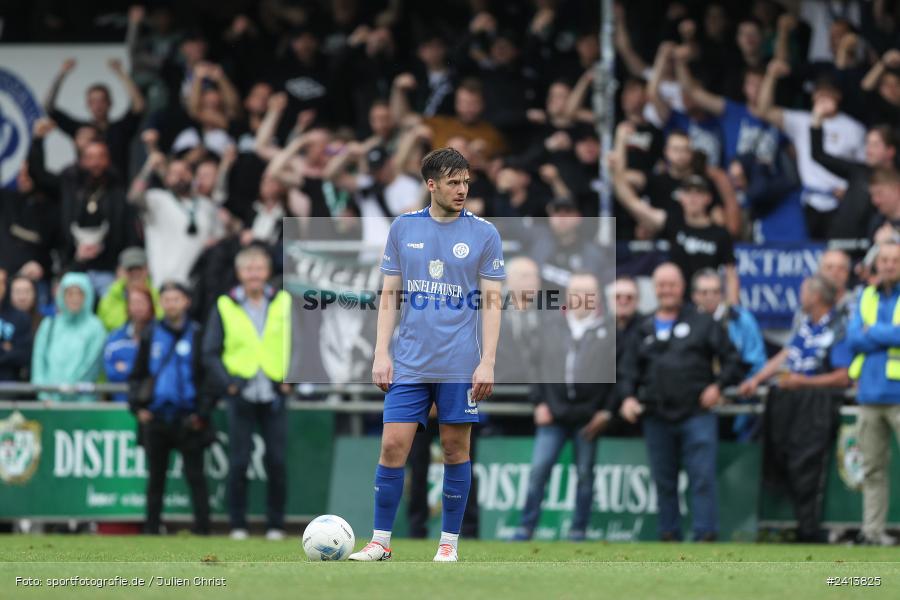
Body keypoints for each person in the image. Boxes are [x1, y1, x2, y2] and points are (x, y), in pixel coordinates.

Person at [349, 148, 505, 563]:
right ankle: (381, 541)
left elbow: (493, 303)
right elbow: (389, 296)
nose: (462, 189)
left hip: (458, 361)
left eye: (467, 181)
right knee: (392, 447)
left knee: (455, 450)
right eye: (454, 182)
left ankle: (448, 544)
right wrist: (381, 352)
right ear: (431, 184)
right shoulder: (403, 228)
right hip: (410, 361)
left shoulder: (485, 233)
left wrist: (487, 360)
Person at [618, 263, 744, 541]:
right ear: (654, 288)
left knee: (701, 478)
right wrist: (627, 397)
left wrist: (718, 386)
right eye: (661, 285)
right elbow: (627, 370)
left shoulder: (703, 321)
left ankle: (705, 533)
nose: (667, 290)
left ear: (682, 287)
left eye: (672, 284)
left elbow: (734, 360)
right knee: (664, 481)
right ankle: (668, 534)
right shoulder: (643, 326)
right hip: (655, 415)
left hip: (696, 413)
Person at [740, 275, 852, 542]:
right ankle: (794, 526)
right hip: (790, 403)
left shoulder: (838, 327)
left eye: (803, 291)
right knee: (784, 459)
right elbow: (785, 355)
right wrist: (756, 379)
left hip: (818, 405)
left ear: (816, 296)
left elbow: (843, 377)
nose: (800, 297)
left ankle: (811, 529)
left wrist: (805, 381)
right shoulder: (804, 325)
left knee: (809, 465)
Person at [515, 272, 616, 541]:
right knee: (538, 471)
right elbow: (534, 368)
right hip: (553, 414)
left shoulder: (610, 330)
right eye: (576, 291)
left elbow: (617, 375)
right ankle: (525, 528)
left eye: (588, 291)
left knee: (585, 476)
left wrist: (604, 410)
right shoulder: (550, 325)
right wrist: (539, 402)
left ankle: (578, 530)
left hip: (588, 418)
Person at [202, 245, 291, 541]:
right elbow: (210, 352)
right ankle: (237, 524)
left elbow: (302, 343)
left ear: (267, 272)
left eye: (259, 269)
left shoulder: (283, 302)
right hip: (240, 392)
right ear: (239, 273)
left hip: (274, 392)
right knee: (238, 462)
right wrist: (228, 383)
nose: (254, 275)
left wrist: (293, 377)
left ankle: (275, 525)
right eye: (248, 269)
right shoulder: (225, 304)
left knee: (276, 461)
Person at [130, 281, 211, 536]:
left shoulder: (198, 333)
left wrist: (203, 412)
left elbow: (207, 377)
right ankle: (151, 528)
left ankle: (203, 528)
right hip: (157, 416)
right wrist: (137, 406)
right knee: (156, 478)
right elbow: (138, 374)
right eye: (166, 299)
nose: (171, 304)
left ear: (186, 302)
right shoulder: (150, 334)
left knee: (196, 477)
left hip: (189, 418)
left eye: (176, 299)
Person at [757, 59, 866, 238]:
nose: (821, 97)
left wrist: (852, 192)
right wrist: (770, 76)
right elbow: (763, 111)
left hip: (842, 201)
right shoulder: (801, 121)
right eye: (818, 92)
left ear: (838, 96)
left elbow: (864, 170)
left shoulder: (854, 128)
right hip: (810, 201)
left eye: (827, 93)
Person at [613, 166, 739, 304]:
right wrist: (615, 172)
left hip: (707, 303)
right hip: (676, 303)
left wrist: (732, 307)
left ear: (708, 198)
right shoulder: (672, 223)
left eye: (698, 193)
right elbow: (632, 203)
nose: (693, 198)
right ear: (681, 197)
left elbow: (731, 274)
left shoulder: (720, 234)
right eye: (688, 193)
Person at [845, 241, 900, 546]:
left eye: (895, 260)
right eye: (885, 260)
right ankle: (872, 532)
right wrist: (886, 335)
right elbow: (853, 339)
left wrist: (872, 332)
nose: (890, 265)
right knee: (872, 469)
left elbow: (874, 334)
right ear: (876, 265)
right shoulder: (865, 295)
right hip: (869, 396)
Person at [129, 154, 224, 285]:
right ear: (166, 178)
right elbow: (133, 197)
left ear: (193, 176)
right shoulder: (157, 198)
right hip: (164, 279)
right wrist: (148, 167)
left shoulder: (206, 205)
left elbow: (220, 235)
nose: (180, 176)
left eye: (185, 172)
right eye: (174, 173)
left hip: (196, 282)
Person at [44, 57, 146, 177]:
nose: (98, 106)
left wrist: (122, 74)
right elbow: (49, 108)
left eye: (101, 101)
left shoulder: (121, 128)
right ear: (88, 105)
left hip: (117, 189)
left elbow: (139, 106)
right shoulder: (80, 129)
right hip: (85, 190)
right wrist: (61, 74)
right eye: (93, 102)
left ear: (110, 103)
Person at [31, 272, 106, 402]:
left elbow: (91, 363)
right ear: (62, 296)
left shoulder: (96, 327)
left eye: (79, 294)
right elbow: (39, 361)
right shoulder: (49, 325)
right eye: (70, 294)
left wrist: (70, 388)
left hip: (83, 401)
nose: (74, 298)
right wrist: (44, 394)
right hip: (49, 402)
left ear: (87, 296)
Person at [104, 284, 156, 403]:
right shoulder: (115, 338)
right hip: (121, 406)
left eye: (142, 302)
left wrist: (127, 367)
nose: (138, 307)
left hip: (151, 408)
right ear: (127, 307)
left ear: (150, 305)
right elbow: (112, 374)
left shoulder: (160, 336)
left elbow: (157, 374)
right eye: (134, 303)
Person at [97, 247, 163, 331]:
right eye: (130, 270)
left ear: (147, 269)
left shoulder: (158, 295)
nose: (135, 273)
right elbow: (103, 326)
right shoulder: (110, 297)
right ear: (120, 271)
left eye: (139, 269)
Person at [0, 269, 32, 382]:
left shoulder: (21, 317)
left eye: (2, 282)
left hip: (11, 385)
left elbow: (23, 354)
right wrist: (5, 348)